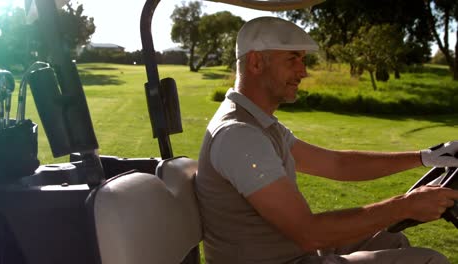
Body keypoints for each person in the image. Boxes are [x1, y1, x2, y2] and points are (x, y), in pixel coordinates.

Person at [195, 16, 458, 264]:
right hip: (284, 259)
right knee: (428, 261)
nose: (303, 72)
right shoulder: (240, 135)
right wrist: (405, 206)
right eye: (293, 59)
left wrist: (424, 157)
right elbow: (309, 233)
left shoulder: (260, 126)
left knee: (391, 238)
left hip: (289, 250)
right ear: (255, 63)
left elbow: (337, 164)